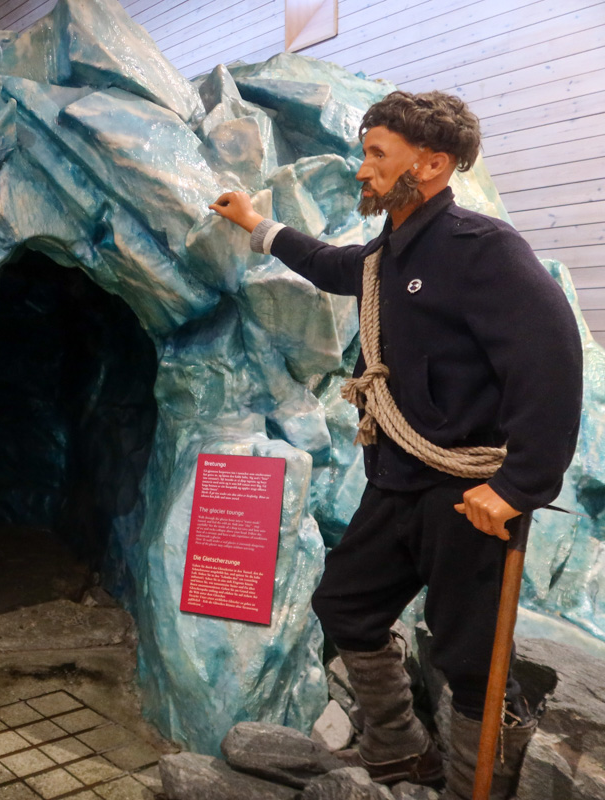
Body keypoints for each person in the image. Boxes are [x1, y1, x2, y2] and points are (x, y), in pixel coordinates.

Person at [209, 91, 582, 799]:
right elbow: (337, 266)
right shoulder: (390, 255)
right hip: (399, 479)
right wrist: (257, 226)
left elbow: (553, 362)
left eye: (378, 154)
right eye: (366, 152)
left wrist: (516, 489)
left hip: (467, 490)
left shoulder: (484, 251)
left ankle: (477, 783)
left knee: (469, 654)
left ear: (433, 164)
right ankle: (403, 751)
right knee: (346, 604)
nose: (363, 169)